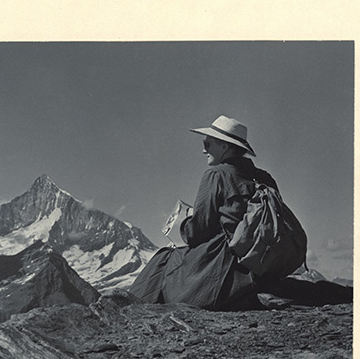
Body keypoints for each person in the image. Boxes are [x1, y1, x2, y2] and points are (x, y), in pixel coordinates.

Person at [130, 115, 351, 309]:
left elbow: (199, 233)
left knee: (164, 258)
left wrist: (184, 223)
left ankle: (127, 308)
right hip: (260, 266)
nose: (203, 149)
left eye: (207, 143)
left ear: (225, 146)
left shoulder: (216, 175)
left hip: (226, 265)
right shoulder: (265, 177)